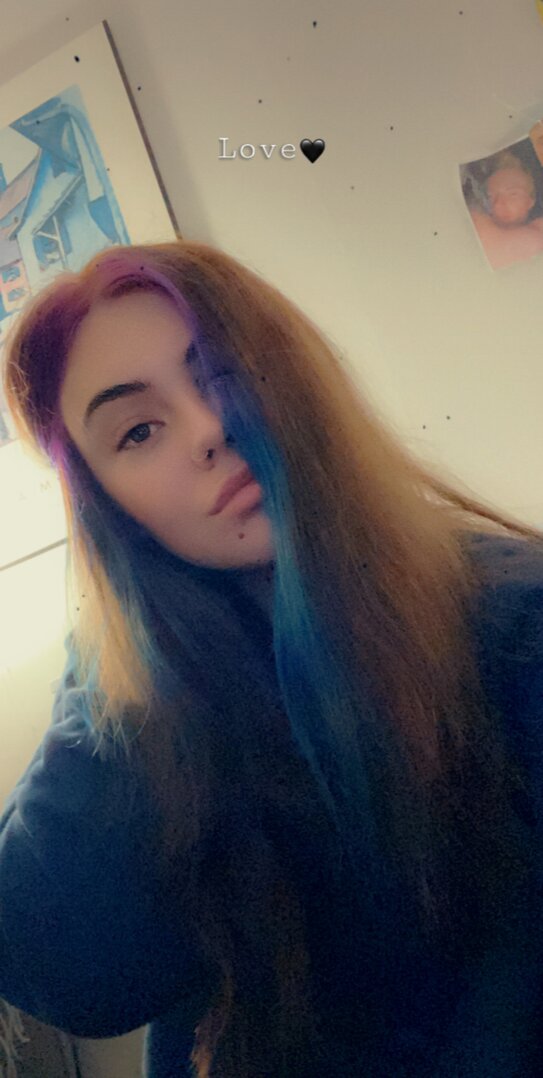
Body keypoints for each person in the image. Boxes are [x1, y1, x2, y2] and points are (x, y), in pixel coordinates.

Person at [1, 238, 543, 1078]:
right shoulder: (144, 703)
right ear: (110, 510)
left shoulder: (513, 625)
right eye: (137, 431)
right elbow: (71, 972)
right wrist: (110, 654)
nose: (208, 430)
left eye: (225, 372)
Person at [469, 150, 543, 269]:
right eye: (492, 197)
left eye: (513, 194)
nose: (499, 204)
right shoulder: (473, 225)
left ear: (531, 200)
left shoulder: (539, 229)